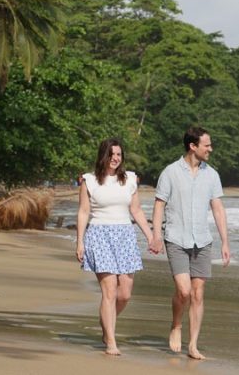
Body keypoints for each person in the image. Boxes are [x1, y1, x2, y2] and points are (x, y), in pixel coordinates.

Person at [152, 126, 231, 360]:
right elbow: (159, 205)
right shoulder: (170, 172)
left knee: (198, 293)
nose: (211, 149)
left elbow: (218, 208)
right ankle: (176, 324)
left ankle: (193, 345)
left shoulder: (212, 175)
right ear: (192, 146)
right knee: (184, 291)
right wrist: (156, 235)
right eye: (207, 145)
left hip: (203, 241)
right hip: (176, 238)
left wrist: (225, 242)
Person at [76, 138, 155, 356]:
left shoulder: (129, 179)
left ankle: (106, 322)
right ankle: (110, 340)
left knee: (125, 294)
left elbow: (136, 211)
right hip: (99, 235)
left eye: (119, 154)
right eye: (111, 154)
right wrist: (80, 242)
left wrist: (150, 236)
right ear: (103, 156)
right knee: (109, 291)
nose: (115, 158)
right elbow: (83, 212)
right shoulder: (89, 180)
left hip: (125, 236)